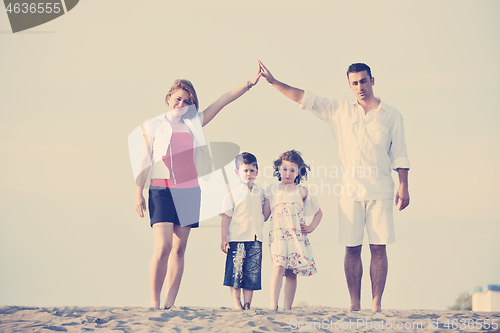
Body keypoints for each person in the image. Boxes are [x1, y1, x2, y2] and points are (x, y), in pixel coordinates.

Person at [258, 61, 410, 312]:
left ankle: (376, 303)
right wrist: (274, 82)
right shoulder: (339, 109)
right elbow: (304, 98)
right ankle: (354, 303)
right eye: (354, 83)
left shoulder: (392, 115)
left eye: (363, 81)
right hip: (350, 191)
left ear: (372, 80)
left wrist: (403, 186)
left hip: (381, 189)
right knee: (351, 248)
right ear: (349, 85)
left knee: (378, 248)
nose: (359, 87)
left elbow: (401, 154)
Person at [131, 67, 262, 309]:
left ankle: (169, 304)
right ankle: (154, 300)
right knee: (163, 247)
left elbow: (222, 101)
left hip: (190, 192)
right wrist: (138, 191)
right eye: (178, 98)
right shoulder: (153, 125)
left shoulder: (195, 123)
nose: (181, 103)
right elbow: (145, 159)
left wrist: (249, 84)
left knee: (179, 249)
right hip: (161, 190)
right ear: (169, 97)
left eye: (187, 101)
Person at [263, 150, 323, 311]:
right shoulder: (272, 189)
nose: (288, 173)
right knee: (278, 266)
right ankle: (272, 304)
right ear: (278, 170)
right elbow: (264, 215)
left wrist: (311, 227)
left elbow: (318, 212)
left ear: (298, 172)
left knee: (291, 272)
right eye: (284, 169)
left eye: (292, 170)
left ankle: (287, 307)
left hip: (296, 236)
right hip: (278, 236)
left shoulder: (302, 191)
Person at [220, 152, 265, 311]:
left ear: (257, 171)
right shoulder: (233, 194)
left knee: (252, 273)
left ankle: (248, 304)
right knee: (236, 272)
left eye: (252, 170)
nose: (249, 174)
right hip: (236, 238)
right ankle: (236, 303)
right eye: (245, 170)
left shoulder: (260, 193)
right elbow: (226, 217)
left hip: (255, 238)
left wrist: (261, 221)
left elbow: (265, 212)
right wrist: (224, 238)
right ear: (237, 172)